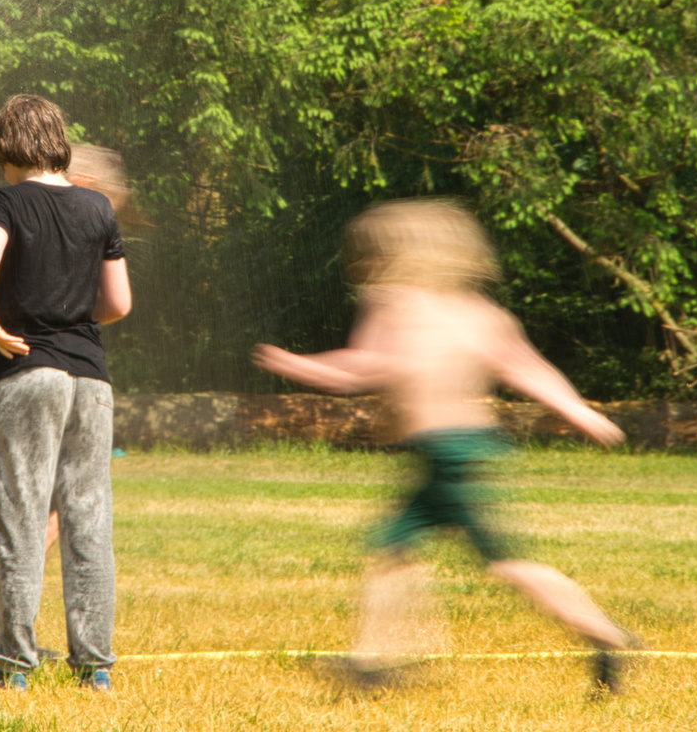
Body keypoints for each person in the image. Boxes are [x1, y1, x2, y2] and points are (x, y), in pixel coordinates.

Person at [250, 200, 640, 693]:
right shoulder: (478, 311)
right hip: (467, 447)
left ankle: (604, 633)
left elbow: (368, 366)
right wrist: (578, 410)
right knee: (395, 545)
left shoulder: (394, 303)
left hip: (443, 451)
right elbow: (525, 367)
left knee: (503, 561)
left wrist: (296, 364)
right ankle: (371, 662)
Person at [0, 147, 137, 666]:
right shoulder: (56, 206)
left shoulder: (23, 207)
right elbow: (114, 302)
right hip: (7, 366)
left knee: (28, 508)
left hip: (4, 368)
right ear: (82, 180)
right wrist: (66, 316)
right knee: (40, 509)